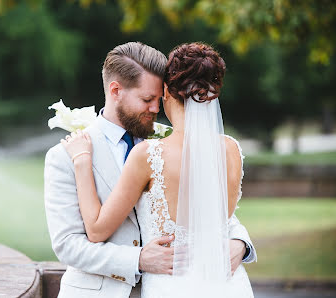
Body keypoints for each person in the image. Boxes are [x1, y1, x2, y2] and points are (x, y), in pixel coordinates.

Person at [45, 42, 256, 298]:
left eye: (159, 98)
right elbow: (68, 245)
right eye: (147, 99)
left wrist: (239, 242)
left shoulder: (161, 146)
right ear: (115, 90)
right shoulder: (65, 155)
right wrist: (138, 259)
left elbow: (212, 215)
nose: (156, 109)